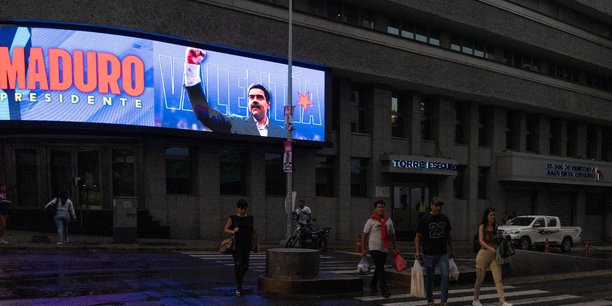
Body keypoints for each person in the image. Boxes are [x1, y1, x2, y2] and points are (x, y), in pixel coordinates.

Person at [184, 47, 287, 138]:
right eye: (251, 97)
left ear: (268, 104)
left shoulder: (282, 133)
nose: (254, 100)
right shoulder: (236, 124)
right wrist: (192, 67)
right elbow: (205, 115)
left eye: (259, 97)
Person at [414, 196, 454, 306]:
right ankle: (430, 299)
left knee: (445, 276)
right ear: (431, 205)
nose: (438, 207)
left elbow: (449, 236)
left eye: (440, 205)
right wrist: (417, 251)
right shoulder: (424, 219)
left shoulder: (445, 219)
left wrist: (451, 249)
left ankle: (443, 300)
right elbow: (418, 236)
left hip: (442, 253)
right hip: (428, 253)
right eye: (436, 205)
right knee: (430, 278)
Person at [472, 207, 512, 306]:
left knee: (498, 279)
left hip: (495, 255)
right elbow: (481, 240)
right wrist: (490, 248)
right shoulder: (482, 226)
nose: (493, 217)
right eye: (491, 215)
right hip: (484, 254)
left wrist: (503, 238)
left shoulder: (496, 227)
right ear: (487, 216)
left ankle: (502, 301)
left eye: (494, 215)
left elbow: (498, 240)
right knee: (480, 278)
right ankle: (475, 300)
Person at [361, 200, 397, 298]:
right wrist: (363, 248)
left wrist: (395, 247)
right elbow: (364, 235)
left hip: (384, 248)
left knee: (379, 268)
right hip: (374, 247)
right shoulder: (371, 220)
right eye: (379, 207)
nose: (381, 209)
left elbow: (393, 235)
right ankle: (384, 289)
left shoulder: (388, 220)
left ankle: (373, 284)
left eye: (382, 207)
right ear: (375, 209)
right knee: (381, 268)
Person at [224, 199, 259, 296]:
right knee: (239, 264)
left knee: (245, 266)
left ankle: (238, 279)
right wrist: (233, 231)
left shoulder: (250, 218)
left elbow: (253, 231)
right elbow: (226, 229)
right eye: (241, 209)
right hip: (237, 245)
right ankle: (239, 287)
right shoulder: (233, 218)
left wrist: (256, 244)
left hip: (247, 245)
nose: (243, 211)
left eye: (244, 209)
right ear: (238, 208)